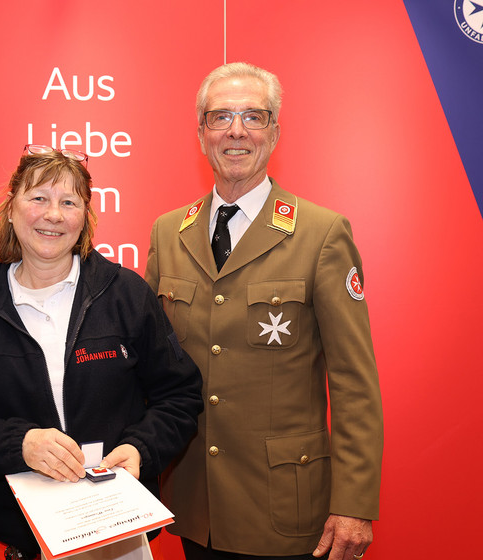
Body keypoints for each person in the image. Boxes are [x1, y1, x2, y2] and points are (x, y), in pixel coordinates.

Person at [145, 62, 383, 560]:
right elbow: (151, 369)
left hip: (286, 510)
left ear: (274, 132)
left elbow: (354, 384)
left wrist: (354, 504)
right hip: (195, 504)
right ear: (201, 133)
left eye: (253, 116)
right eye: (220, 117)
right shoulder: (168, 233)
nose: (236, 131)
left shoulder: (321, 233)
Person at [0, 145, 204, 560]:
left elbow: (180, 396)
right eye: (38, 198)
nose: (54, 215)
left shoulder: (127, 296)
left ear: (85, 218)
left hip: (119, 535)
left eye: (68, 202)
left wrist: (140, 450)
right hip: (17, 542)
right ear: (11, 209)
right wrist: (20, 444)